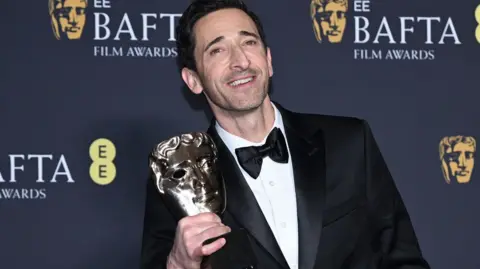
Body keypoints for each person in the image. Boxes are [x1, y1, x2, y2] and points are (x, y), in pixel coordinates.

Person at [140, 0, 431, 268]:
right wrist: (177, 264)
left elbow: (403, 259)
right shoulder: (180, 180)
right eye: (217, 50)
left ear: (268, 60)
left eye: (248, 42)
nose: (240, 60)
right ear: (193, 80)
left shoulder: (350, 142)